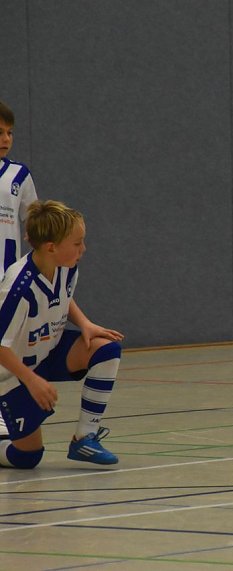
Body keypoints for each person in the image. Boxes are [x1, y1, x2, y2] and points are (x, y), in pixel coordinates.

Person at [0, 200, 124, 469]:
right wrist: (32, 381)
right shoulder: (18, 287)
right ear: (51, 247)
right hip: (13, 375)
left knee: (105, 348)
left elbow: (62, 296)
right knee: (27, 457)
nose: (83, 249)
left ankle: (84, 437)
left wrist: (85, 323)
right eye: (77, 243)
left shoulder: (66, 266)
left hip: (48, 351)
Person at [0, 100, 39, 440]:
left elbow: (37, 222)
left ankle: (4, 410)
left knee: (8, 345)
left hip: (6, 278)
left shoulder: (19, 175)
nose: (6, 139)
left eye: (10, 133)